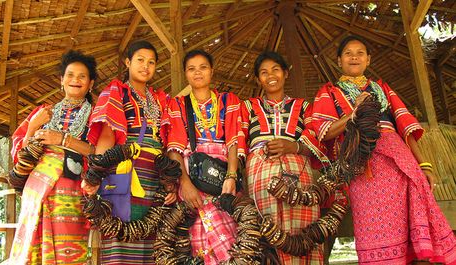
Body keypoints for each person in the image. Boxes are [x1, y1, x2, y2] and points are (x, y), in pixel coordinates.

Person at [311, 35, 456, 264]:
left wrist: (424, 164)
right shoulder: (329, 92)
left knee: (413, 220)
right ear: (339, 60)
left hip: (399, 161)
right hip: (362, 165)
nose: (354, 57)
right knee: (372, 224)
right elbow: (324, 132)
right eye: (348, 53)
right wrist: (354, 113)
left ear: (368, 59)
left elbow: (405, 129)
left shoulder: (382, 88)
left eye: (360, 53)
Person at [81, 40, 175, 264]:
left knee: (151, 237)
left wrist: (171, 182)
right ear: (128, 62)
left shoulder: (162, 99)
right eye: (140, 60)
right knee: (120, 233)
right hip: (123, 173)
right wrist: (95, 175)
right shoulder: (117, 92)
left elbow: (170, 142)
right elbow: (106, 135)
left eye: (151, 62)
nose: (146, 66)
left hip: (154, 178)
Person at [238, 51, 329, 265]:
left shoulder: (304, 106)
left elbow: (317, 141)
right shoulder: (248, 107)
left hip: (299, 175)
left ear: (285, 73)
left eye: (276, 69)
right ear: (258, 78)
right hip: (260, 176)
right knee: (266, 230)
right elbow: (238, 142)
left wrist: (293, 146)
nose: (270, 75)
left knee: (302, 232)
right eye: (263, 72)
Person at [8, 50, 97, 264]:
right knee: (32, 244)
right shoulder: (42, 112)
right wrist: (32, 127)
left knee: (70, 245)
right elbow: (20, 154)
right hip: (37, 188)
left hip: (72, 190)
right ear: (62, 80)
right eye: (70, 75)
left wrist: (62, 140)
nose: (75, 80)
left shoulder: (96, 116)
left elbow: (98, 153)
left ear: (91, 84)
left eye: (82, 76)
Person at [166, 49, 242, 264]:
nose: (197, 73)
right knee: (198, 239)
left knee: (232, 236)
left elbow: (234, 141)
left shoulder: (228, 101)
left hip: (223, 179)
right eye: (191, 69)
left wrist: (231, 176)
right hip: (192, 176)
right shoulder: (178, 105)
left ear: (212, 71)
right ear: (185, 74)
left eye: (203, 67)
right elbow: (174, 148)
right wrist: (185, 183)